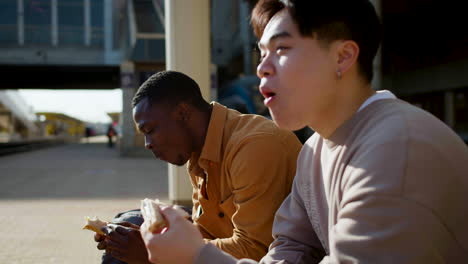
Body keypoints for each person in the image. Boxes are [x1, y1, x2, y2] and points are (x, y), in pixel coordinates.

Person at [139, 0, 468, 263]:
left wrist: (196, 256)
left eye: (282, 49)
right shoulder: (315, 151)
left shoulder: (396, 150)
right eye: (262, 52)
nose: (262, 67)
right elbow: (288, 251)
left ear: (343, 56)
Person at [94, 70, 302, 264]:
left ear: (183, 113)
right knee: (128, 224)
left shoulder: (254, 146)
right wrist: (146, 235)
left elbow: (256, 250)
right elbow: (205, 232)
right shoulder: (198, 153)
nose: (148, 143)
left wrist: (153, 253)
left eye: (150, 130)